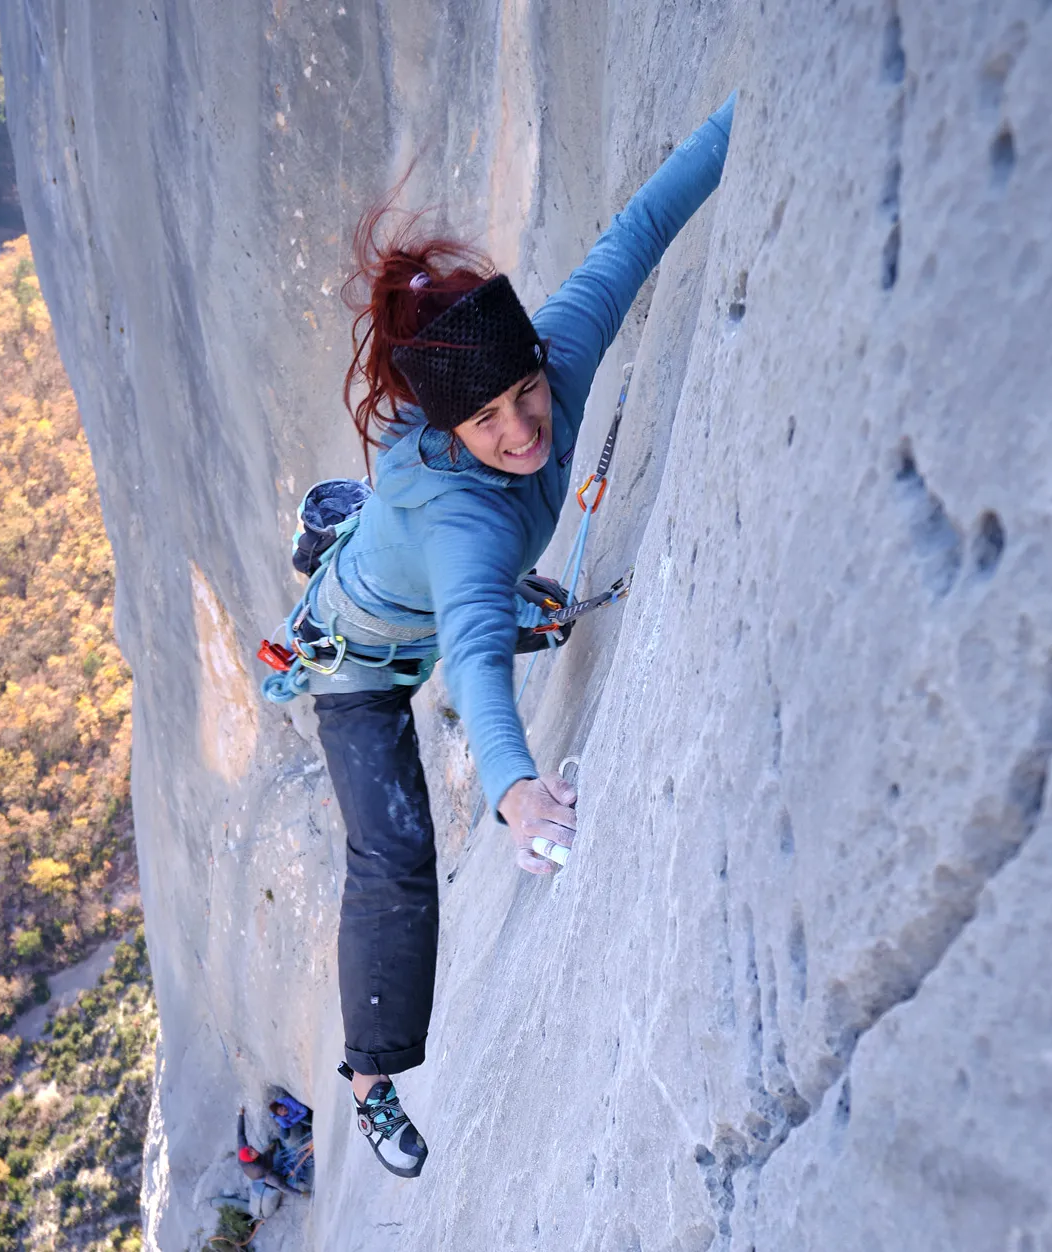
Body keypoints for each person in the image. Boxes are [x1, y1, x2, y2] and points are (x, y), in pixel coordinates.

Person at [289, 92, 736, 1178]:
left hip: (436, 573)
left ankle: (347, 525)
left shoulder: (558, 355)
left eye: (527, 394)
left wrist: (742, 113)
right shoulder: (466, 524)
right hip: (359, 661)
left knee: (511, 598)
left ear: (539, 358)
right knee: (393, 856)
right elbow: (476, 658)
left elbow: (637, 232)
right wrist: (515, 790)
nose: (523, 428)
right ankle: (372, 1082)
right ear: (450, 430)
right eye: (486, 420)